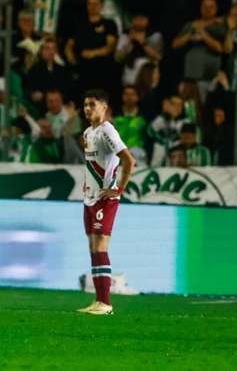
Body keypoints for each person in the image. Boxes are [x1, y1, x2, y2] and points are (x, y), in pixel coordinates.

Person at [77, 89, 135, 316]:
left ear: (104, 106)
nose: (87, 108)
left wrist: (118, 189)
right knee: (93, 248)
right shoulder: (89, 132)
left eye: (92, 104)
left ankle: (106, 302)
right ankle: (99, 300)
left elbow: (129, 161)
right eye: (85, 104)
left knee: (101, 247)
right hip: (90, 198)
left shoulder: (107, 131)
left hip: (104, 200)